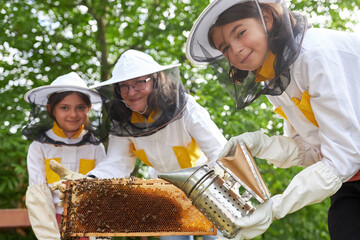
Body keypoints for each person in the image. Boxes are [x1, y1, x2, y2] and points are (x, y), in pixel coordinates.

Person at [185, 0, 360, 239]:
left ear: (266, 19)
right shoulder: (275, 78)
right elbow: (314, 151)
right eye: (225, 48)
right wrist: (263, 145)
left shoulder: (315, 54)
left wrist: (276, 207)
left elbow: (345, 156)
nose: (235, 49)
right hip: (350, 179)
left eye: (241, 33)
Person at [50, 49, 227, 240]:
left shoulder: (188, 109)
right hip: (168, 193)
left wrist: (216, 192)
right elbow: (117, 164)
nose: (131, 92)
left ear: (156, 79)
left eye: (139, 82)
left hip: (206, 187)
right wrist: (86, 183)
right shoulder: (124, 122)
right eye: (124, 86)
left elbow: (220, 152)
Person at [23, 72, 108, 240]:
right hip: (53, 222)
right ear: (50, 109)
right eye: (64, 107)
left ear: (88, 109)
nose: (73, 114)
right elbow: (38, 197)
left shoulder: (95, 146)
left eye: (80, 107)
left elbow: (103, 192)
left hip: (89, 223)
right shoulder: (39, 147)